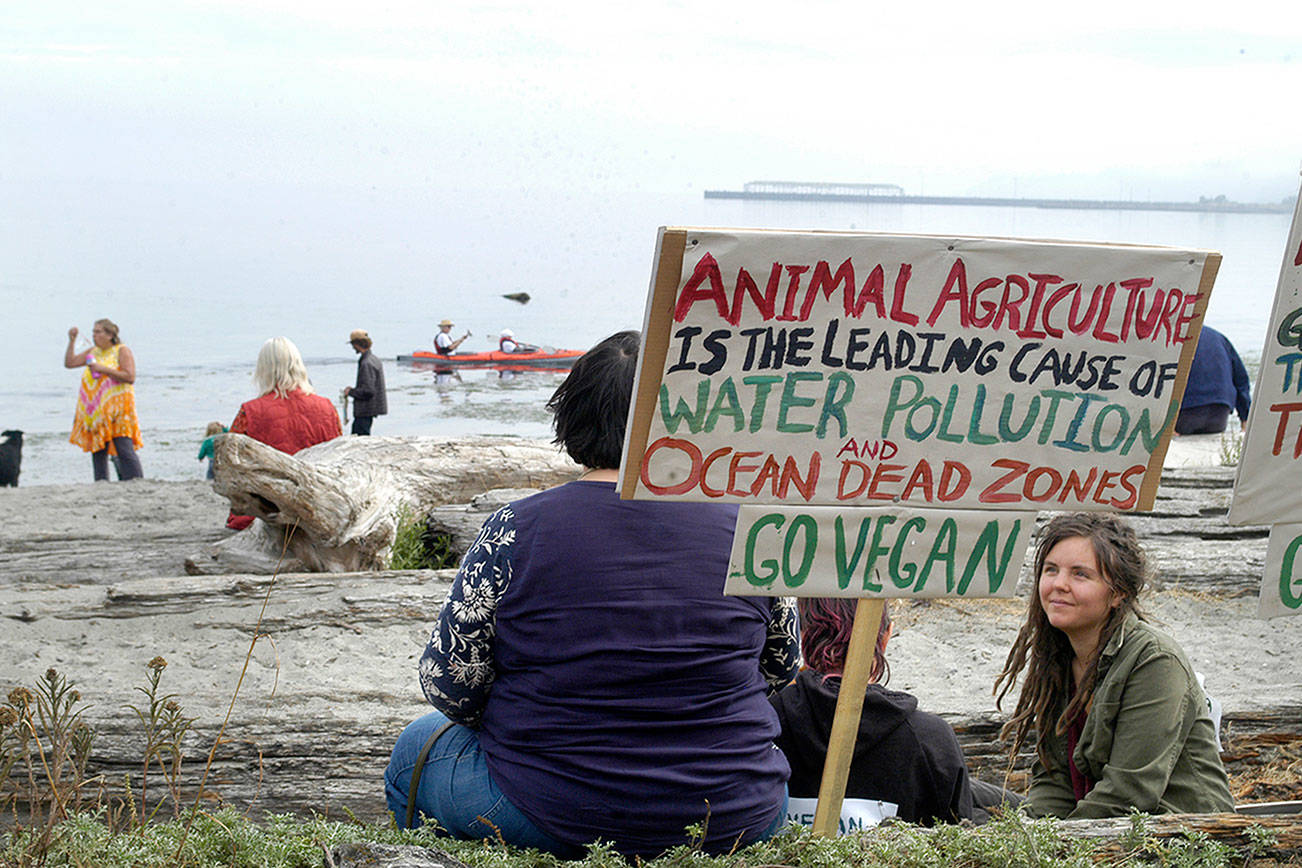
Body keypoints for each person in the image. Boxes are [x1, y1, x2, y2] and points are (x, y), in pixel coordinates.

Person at [385, 330, 798, 858]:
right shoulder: (750, 528)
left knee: (413, 752)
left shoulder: (514, 529)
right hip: (738, 809)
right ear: (689, 418)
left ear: (572, 417)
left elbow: (449, 687)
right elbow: (781, 668)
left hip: (555, 806)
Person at [994, 513, 1233, 819]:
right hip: (1092, 831)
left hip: (1173, 838)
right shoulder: (1058, 659)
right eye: (1051, 570)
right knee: (969, 799)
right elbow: (1053, 781)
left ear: (1118, 593)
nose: (1059, 584)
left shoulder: (1155, 661)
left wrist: (1055, 850)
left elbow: (1129, 793)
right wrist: (1034, 835)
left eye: (1080, 574)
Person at [772, 598, 974, 828]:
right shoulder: (932, 741)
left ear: (802, 636)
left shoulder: (761, 726)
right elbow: (960, 845)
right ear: (886, 637)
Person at [225, 337, 342, 530]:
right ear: (298, 366)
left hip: (265, 514)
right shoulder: (327, 408)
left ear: (263, 369)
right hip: (315, 511)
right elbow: (338, 459)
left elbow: (231, 465)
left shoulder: (249, 412)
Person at [64, 319, 144, 481]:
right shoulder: (93, 352)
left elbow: (130, 376)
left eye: (98, 332)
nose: (94, 335)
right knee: (98, 449)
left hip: (118, 409)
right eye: (93, 332)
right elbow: (70, 363)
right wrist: (71, 341)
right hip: (95, 410)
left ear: (110, 335)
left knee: (124, 447)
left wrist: (103, 369)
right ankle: (101, 482)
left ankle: (136, 481)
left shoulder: (121, 350)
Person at [1176, 325, 1251, 435]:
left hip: (1185, 415)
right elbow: (1241, 381)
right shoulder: (1218, 337)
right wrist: (1245, 418)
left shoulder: (1170, 337)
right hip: (1219, 415)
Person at [343, 329, 387, 436]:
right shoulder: (374, 359)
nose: (353, 348)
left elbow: (368, 391)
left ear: (357, 344)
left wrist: (351, 392)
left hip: (365, 410)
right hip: (371, 409)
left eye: (353, 345)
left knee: (358, 438)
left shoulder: (366, 363)